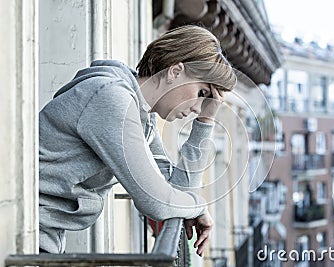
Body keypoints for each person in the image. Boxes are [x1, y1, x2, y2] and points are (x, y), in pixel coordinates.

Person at [39, 25, 237, 256]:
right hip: (19, 231)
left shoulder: (143, 117)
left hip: (43, 238)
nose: (196, 107)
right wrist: (199, 207)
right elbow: (156, 202)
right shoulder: (111, 99)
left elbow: (176, 188)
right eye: (202, 94)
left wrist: (206, 119)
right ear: (175, 72)